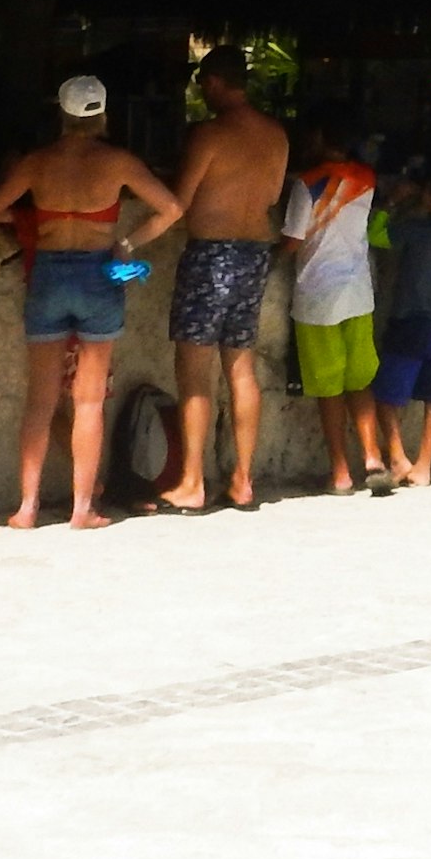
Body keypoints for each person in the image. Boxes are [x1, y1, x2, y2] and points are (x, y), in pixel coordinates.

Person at [0, 75, 183, 531]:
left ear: (62, 115)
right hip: (98, 274)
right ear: (103, 114)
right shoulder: (119, 163)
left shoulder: (37, 162)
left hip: (48, 272)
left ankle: (27, 508)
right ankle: (82, 509)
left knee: (40, 401)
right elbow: (171, 208)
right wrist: (127, 243)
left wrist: (30, 219)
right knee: (88, 402)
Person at [163, 47, 289, 512]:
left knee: (194, 370)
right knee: (241, 367)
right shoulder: (276, 135)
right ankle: (243, 480)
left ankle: (193, 481)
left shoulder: (209, 134)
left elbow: (181, 199)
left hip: (210, 253)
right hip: (255, 253)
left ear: (215, 81)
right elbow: (273, 194)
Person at [278, 125, 388, 496]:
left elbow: (292, 242)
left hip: (318, 294)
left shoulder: (306, 184)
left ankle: (341, 472)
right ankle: (373, 458)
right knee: (360, 380)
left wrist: (270, 257)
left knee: (329, 388)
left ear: (321, 138)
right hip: (358, 290)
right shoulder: (367, 177)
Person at [371, 158, 431, 488]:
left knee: (386, 395)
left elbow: (377, 237)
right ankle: (425, 465)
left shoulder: (416, 228)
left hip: (408, 319)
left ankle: (399, 458)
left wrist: (391, 202)